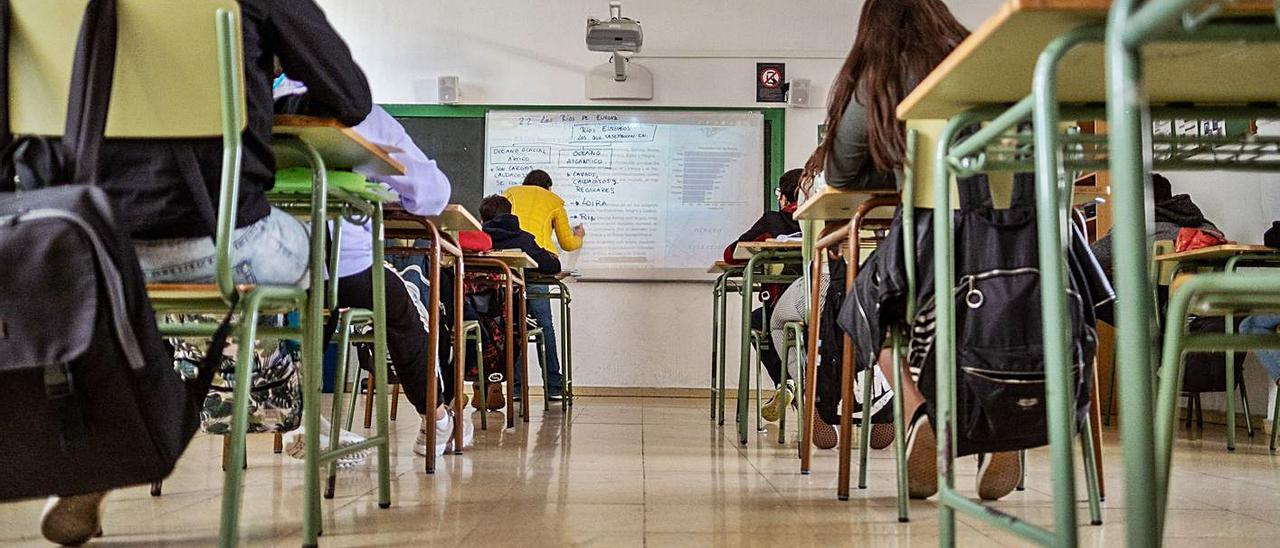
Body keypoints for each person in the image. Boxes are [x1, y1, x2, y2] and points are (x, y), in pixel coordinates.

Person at [39, 2, 370, 545]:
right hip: (222, 243)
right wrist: (266, 97)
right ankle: (290, 405)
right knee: (315, 247)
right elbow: (351, 99)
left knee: (143, 315)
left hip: (85, 245)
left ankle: (101, 456)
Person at [802, 0, 1021, 502]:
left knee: (865, 304)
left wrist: (899, 161)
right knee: (982, 310)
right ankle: (993, 422)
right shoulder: (985, 58)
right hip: (1027, 244)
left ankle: (922, 409)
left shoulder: (879, 78)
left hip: (936, 237)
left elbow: (840, 174)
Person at [275, 74, 471, 458]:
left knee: (312, 307)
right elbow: (432, 194)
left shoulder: (248, 107)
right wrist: (392, 195)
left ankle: (301, 414)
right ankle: (438, 417)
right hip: (343, 268)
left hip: (261, 265)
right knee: (400, 308)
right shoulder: (361, 114)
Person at [723, 168, 803, 422]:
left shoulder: (773, 220)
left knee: (756, 322)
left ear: (784, 197)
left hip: (781, 309)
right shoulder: (822, 221)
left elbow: (732, 253)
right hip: (825, 309)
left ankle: (787, 382)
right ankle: (810, 389)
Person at [503, 170, 583, 400]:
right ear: (548, 187)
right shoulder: (553, 201)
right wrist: (580, 237)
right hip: (538, 267)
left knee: (513, 325)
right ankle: (555, 388)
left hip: (509, 264)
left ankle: (516, 389)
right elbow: (567, 243)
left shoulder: (510, 194)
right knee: (544, 325)